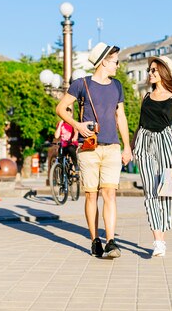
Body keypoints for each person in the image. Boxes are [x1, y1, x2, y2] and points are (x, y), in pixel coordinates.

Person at [56, 42, 132, 259]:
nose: (118, 66)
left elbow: (121, 117)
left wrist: (127, 146)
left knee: (110, 194)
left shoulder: (117, 86)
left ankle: (111, 242)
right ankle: (94, 240)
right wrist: (77, 125)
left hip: (112, 147)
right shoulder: (81, 84)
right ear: (104, 61)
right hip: (88, 149)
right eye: (115, 61)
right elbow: (60, 108)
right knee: (91, 196)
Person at [133, 56, 172, 257]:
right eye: (149, 70)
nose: (150, 73)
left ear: (164, 72)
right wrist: (130, 147)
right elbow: (139, 125)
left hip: (164, 142)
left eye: (154, 70)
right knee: (150, 192)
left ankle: (162, 234)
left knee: (164, 191)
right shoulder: (146, 97)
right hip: (144, 143)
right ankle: (158, 241)